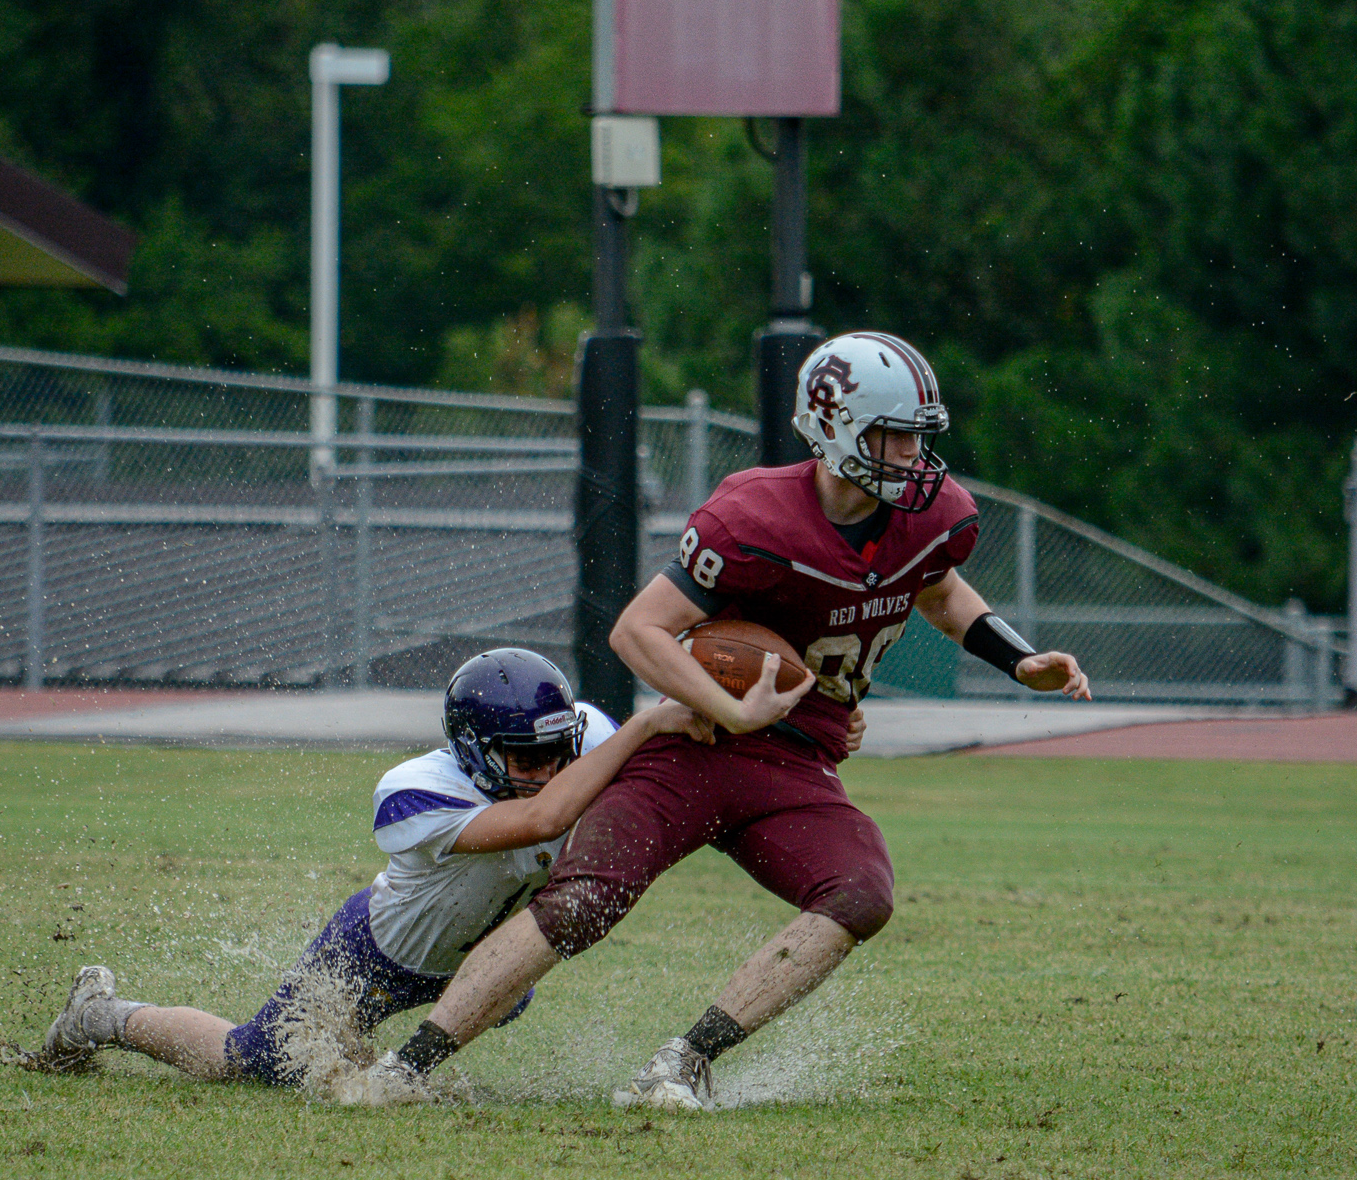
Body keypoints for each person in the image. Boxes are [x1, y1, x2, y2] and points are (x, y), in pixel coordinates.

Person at [342, 330, 1091, 1111]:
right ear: (836, 428)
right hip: (696, 744)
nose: (913, 454)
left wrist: (1018, 659)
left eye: (917, 435)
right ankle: (408, 1066)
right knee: (581, 902)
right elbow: (637, 629)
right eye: (894, 434)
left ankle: (684, 1059)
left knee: (861, 892)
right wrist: (730, 706)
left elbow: (937, 589)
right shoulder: (756, 516)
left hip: (797, 760)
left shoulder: (931, 516)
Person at [21, 648, 714, 1085]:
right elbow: (542, 820)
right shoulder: (414, 790)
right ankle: (100, 1016)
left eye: (561, 752)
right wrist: (645, 725)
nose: (552, 770)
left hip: (478, 960)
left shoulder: (579, 736)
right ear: (471, 751)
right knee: (250, 1061)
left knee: (483, 1004)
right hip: (376, 955)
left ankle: (388, 1068)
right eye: (527, 758)